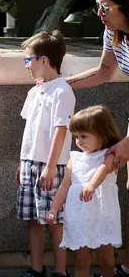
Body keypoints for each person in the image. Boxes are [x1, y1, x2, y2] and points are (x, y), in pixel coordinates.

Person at [64, 0, 129, 277]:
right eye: (97, 6)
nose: (99, 14)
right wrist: (60, 85)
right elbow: (105, 71)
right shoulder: (113, 34)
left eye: (105, 7)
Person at [15, 30, 74, 277]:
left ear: (45, 60)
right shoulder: (34, 91)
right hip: (30, 164)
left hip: (52, 165)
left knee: (54, 221)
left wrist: (50, 166)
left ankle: (60, 271)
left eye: (29, 60)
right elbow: (29, 130)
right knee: (32, 219)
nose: (26, 65)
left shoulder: (62, 91)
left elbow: (60, 132)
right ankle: (36, 269)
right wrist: (21, 162)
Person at [46, 105, 121, 277]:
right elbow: (65, 186)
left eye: (84, 136)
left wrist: (92, 185)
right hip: (79, 217)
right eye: (76, 137)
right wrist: (54, 208)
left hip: (102, 216)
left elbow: (103, 170)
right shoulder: (75, 158)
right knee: (81, 260)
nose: (79, 141)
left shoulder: (109, 155)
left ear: (101, 133)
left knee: (106, 261)